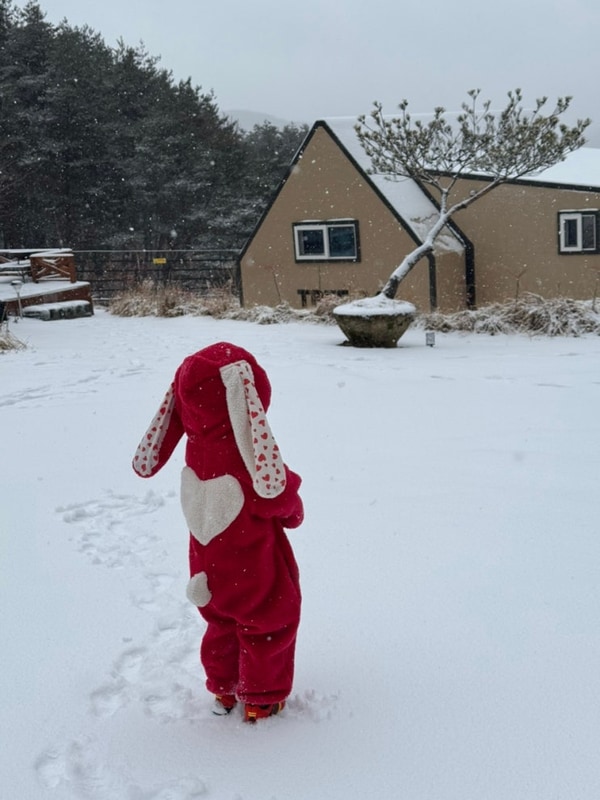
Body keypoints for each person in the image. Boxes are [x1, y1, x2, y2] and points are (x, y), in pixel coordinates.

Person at [132, 342, 303, 722]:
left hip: (208, 567)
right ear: (245, 399)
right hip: (253, 564)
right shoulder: (247, 461)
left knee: (221, 623)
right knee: (269, 622)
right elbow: (278, 494)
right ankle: (261, 696)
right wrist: (294, 512)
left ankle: (224, 689)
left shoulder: (196, 454)